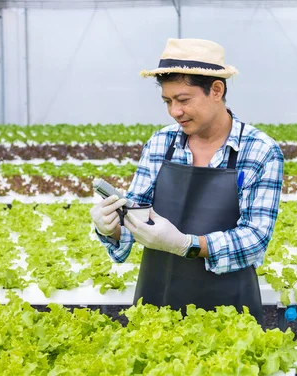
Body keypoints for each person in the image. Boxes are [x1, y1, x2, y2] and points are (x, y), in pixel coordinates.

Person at [90, 38, 284, 324]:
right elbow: (137, 215)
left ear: (216, 90)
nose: (174, 111)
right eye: (167, 101)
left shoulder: (260, 150)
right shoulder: (161, 143)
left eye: (183, 100)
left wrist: (187, 244)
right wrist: (112, 229)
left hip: (228, 310)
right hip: (158, 299)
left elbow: (255, 238)